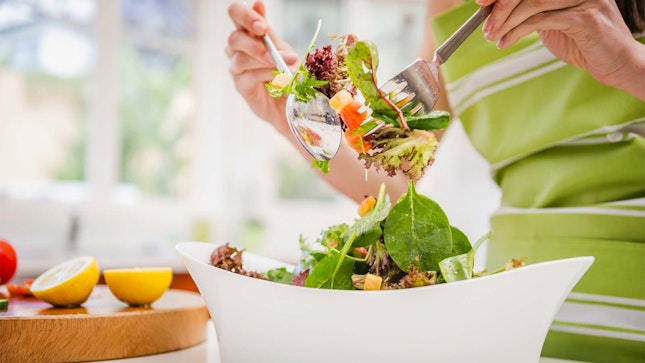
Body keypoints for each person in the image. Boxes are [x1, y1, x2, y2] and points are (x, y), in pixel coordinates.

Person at [226, 0, 645, 361]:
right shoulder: (446, 8)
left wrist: (631, 65)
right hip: (519, 320)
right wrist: (293, 117)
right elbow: (392, 181)